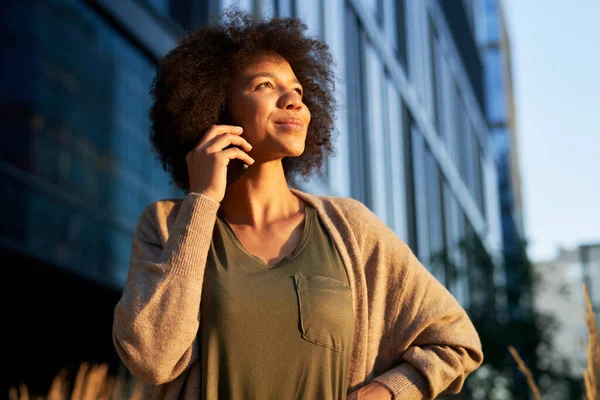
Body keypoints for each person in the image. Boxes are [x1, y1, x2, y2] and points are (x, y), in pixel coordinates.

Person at [112, 9, 483, 400]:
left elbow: (455, 340)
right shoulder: (168, 226)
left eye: (299, 91)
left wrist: (387, 391)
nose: (292, 100)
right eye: (265, 86)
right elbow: (151, 358)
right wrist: (202, 200)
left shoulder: (350, 229)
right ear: (217, 105)